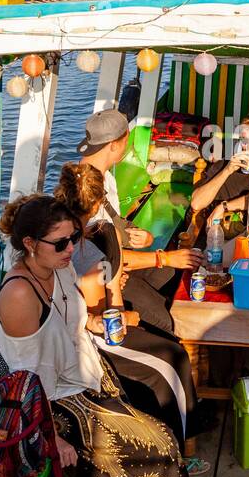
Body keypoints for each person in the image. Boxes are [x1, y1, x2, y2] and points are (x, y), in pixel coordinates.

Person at [0, 194, 244, 477]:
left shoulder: (56, 268)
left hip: (87, 375)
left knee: (159, 427)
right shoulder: (20, 294)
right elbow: (26, 380)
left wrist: (94, 324)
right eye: (60, 243)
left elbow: (71, 322)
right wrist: (51, 439)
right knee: (153, 441)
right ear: (28, 244)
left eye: (73, 238)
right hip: (55, 404)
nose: (71, 249)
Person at [55, 162, 198, 447]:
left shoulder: (70, 230)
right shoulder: (87, 243)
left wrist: (115, 280)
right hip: (87, 340)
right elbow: (110, 321)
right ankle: (178, 449)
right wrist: (125, 304)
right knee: (173, 357)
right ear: (97, 203)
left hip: (83, 319)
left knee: (164, 335)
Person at [77, 108, 202, 335]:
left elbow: (113, 227)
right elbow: (95, 256)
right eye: (127, 139)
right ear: (115, 144)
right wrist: (163, 257)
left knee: (175, 276)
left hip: (116, 265)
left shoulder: (106, 177)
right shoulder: (84, 192)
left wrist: (142, 235)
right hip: (102, 281)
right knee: (169, 322)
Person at [189, 112, 249, 261]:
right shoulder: (224, 164)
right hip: (223, 239)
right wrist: (227, 170)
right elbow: (196, 203)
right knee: (212, 263)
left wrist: (224, 206)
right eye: (245, 140)